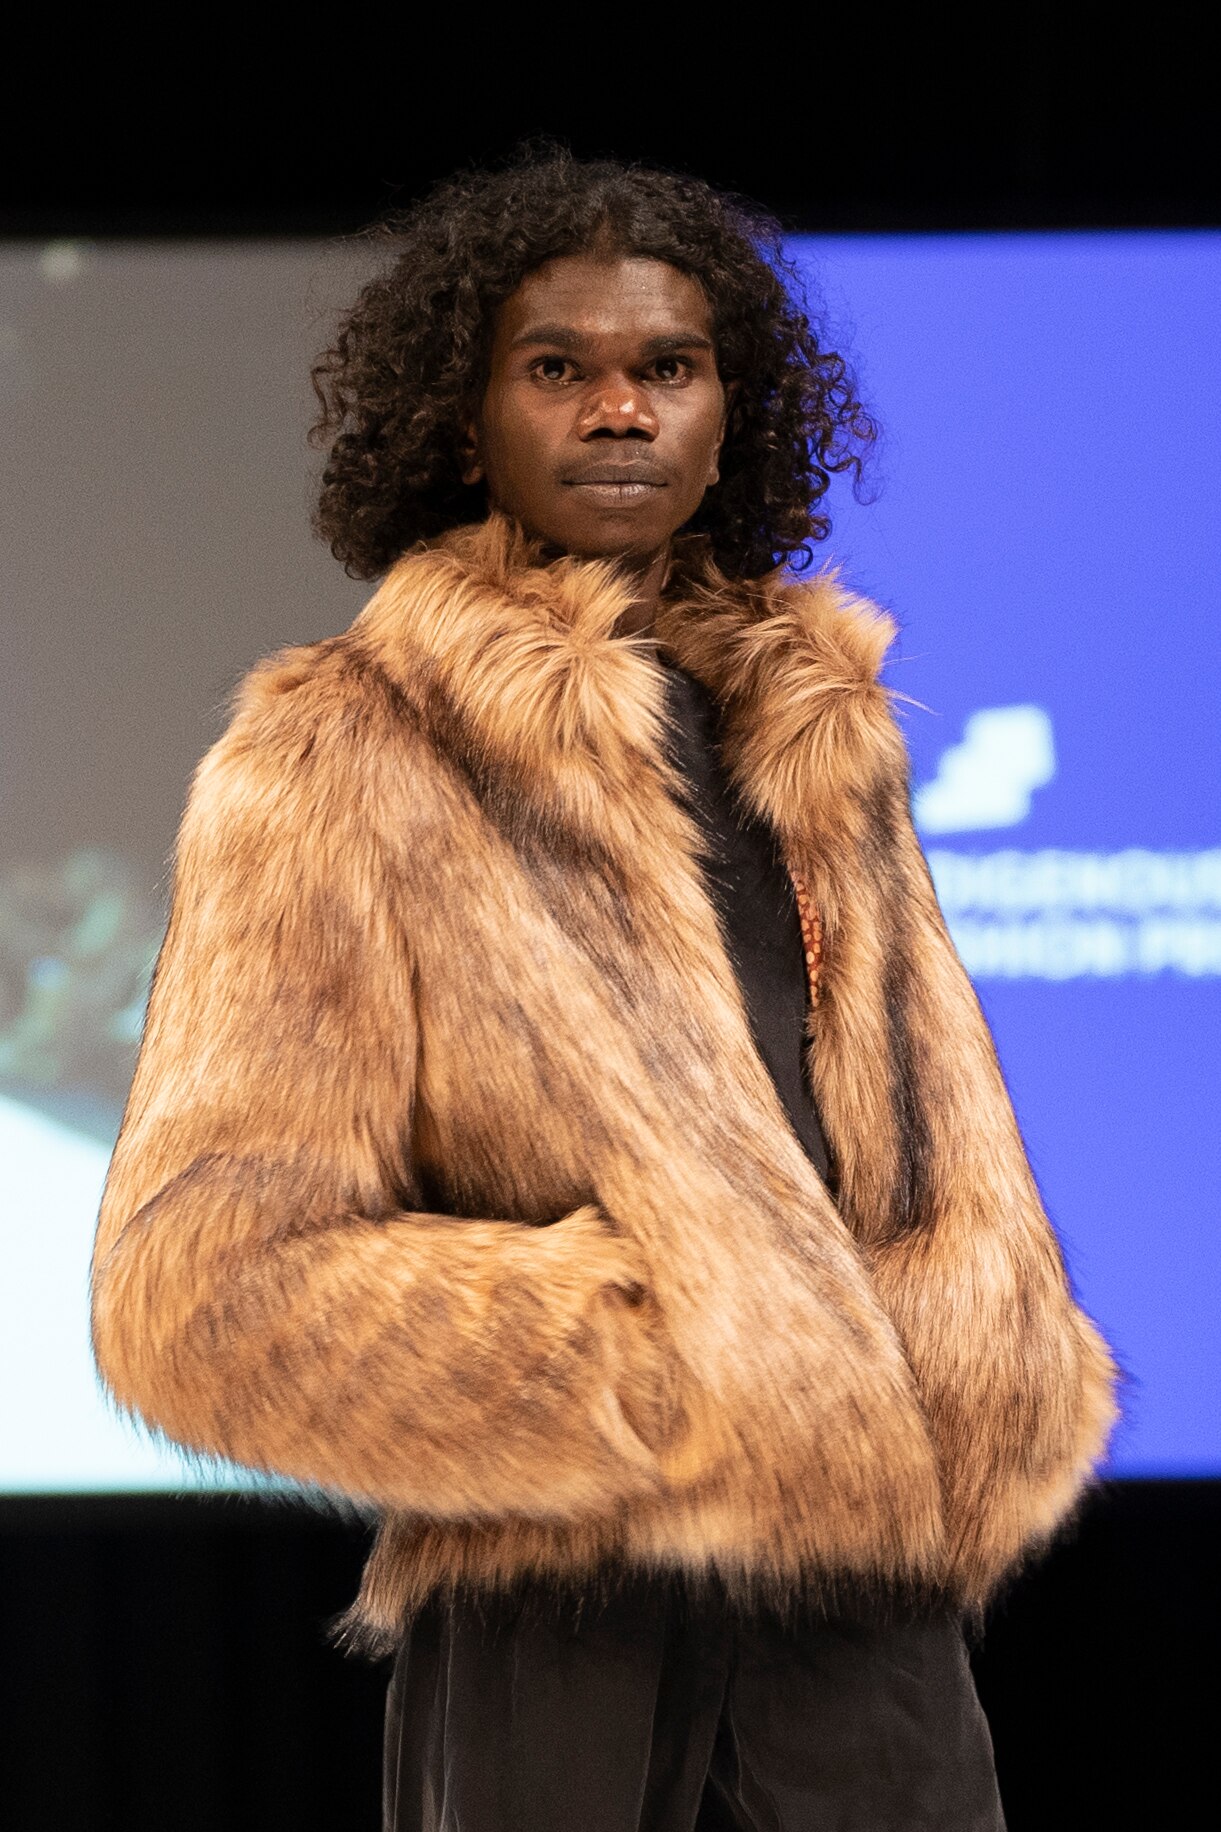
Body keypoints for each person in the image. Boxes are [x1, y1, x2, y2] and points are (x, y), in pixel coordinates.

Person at [90, 150, 1118, 1830]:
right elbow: (202, 1278)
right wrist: (655, 1363)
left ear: (733, 410)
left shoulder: (816, 737)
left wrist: (955, 1352)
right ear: (462, 411)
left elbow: (905, 1155)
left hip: (860, 1607)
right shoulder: (343, 750)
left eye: (668, 368)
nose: (619, 411)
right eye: (557, 367)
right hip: (556, 1599)